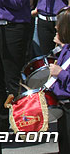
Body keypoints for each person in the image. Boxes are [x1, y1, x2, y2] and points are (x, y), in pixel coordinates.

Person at [49, 9, 70, 153]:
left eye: (59, 25)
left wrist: (60, 73)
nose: (56, 27)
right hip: (63, 104)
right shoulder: (66, 48)